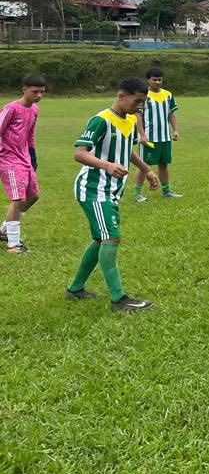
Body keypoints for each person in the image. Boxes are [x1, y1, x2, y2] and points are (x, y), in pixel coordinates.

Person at [66, 78, 161, 312]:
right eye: (137, 101)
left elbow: (126, 150)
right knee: (111, 237)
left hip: (110, 190)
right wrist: (106, 165)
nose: (139, 107)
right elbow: (79, 153)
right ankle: (119, 299)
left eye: (143, 103)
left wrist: (147, 170)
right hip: (93, 189)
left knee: (101, 239)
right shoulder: (101, 120)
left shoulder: (128, 121)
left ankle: (75, 289)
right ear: (121, 96)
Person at [0, 75, 46, 253]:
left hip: (25, 158)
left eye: (42, 92)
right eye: (35, 91)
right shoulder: (11, 108)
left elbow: (30, 135)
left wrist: (32, 156)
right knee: (17, 199)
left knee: (33, 195)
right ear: (24, 89)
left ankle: (4, 229)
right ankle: (13, 244)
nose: (39, 95)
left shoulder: (34, 110)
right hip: (8, 159)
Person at [132, 67, 181, 202]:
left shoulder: (168, 95)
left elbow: (171, 114)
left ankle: (166, 191)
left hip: (164, 137)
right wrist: (142, 134)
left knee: (163, 164)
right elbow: (138, 116)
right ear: (148, 80)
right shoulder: (144, 95)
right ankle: (137, 193)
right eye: (154, 80)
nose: (157, 82)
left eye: (160, 79)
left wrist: (175, 130)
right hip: (149, 138)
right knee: (144, 165)